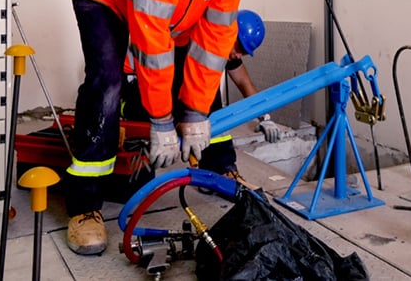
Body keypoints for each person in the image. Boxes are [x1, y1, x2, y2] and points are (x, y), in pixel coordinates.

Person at [64, 0, 283, 256]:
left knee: (203, 75)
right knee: (108, 80)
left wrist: (196, 114)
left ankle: (218, 167)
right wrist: (162, 121)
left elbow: (213, 48)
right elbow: (152, 41)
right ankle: (85, 207)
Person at [121, 10, 293, 187]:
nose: (238, 55)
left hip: (166, 87)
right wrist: (180, 123)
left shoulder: (227, 50)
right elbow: (167, 88)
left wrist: (265, 118)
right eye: (239, 48)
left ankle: (221, 167)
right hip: (136, 86)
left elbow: (244, 82)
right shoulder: (194, 42)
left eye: (244, 53)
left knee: (209, 100)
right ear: (227, 32)